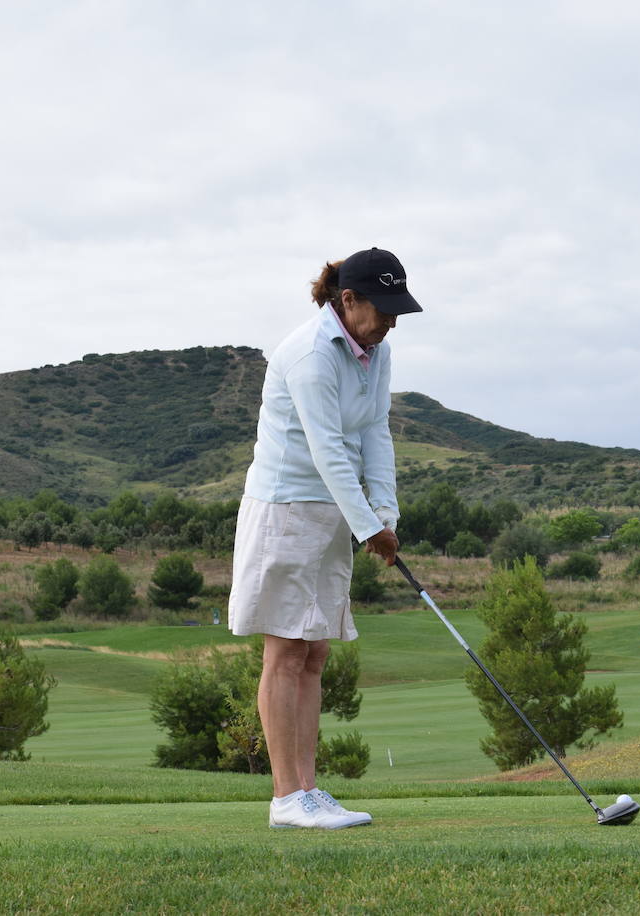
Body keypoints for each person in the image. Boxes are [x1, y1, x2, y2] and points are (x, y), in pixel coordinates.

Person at [228, 247, 422, 829]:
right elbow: (327, 449)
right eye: (382, 309)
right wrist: (369, 528)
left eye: (397, 311)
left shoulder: (375, 352)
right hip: (285, 509)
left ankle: (309, 791)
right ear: (348, 300)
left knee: (314, 651)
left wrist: (384, 514)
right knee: (286, 650)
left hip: (331, 512)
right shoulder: (311, 355)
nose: (390, 322)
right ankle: (288, 798)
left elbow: (374, 433)